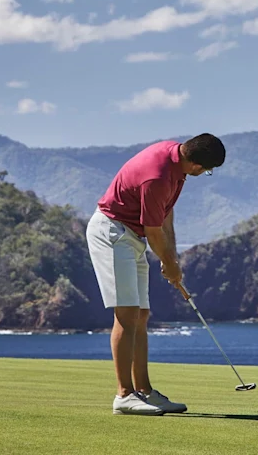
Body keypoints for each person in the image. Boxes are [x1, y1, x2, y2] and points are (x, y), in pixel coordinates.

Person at [86, 133, 226, 415]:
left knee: (141, 315)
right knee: (126, 314)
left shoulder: (176, 163)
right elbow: (153, 231)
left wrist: (170, 259)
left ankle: (145, 392)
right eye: (207, 169)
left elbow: (165, 215)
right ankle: (124, 396)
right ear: (198, 164)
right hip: (112, 234)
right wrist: (169, 264)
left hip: (131, 238)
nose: (204, 173)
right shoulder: (158, 175)